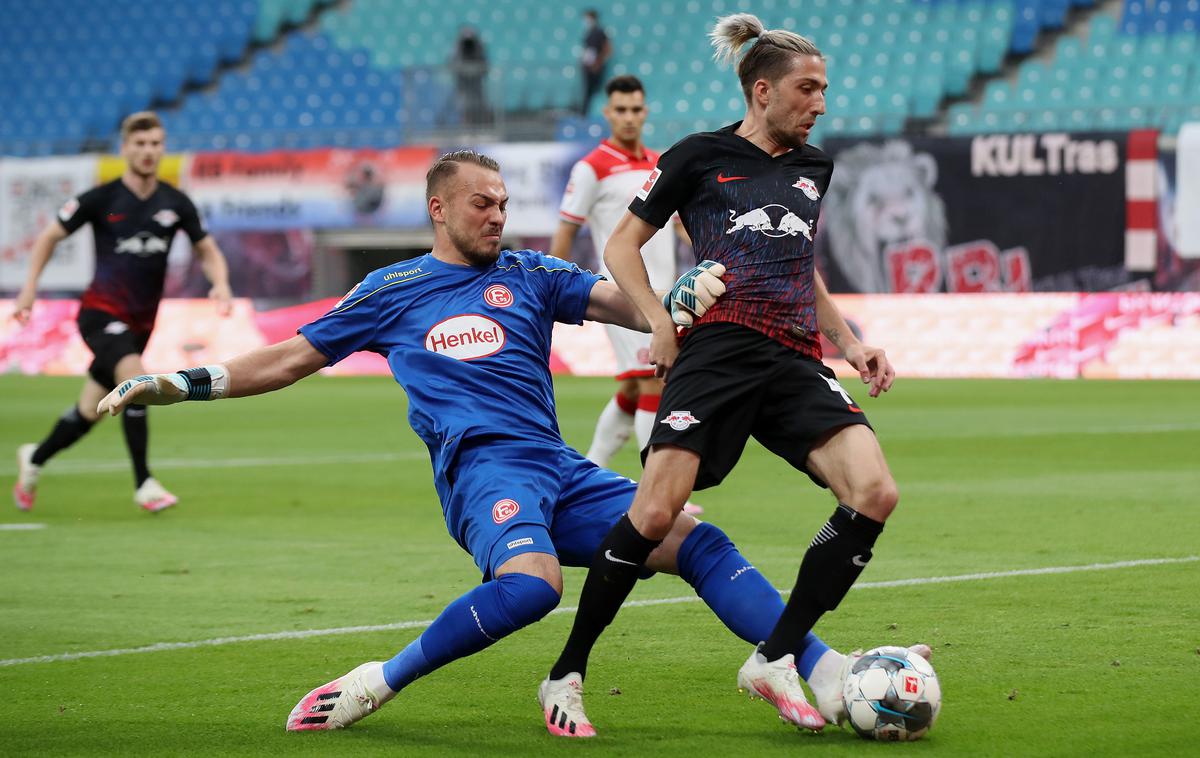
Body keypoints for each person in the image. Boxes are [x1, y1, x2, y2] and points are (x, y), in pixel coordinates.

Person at [96, 150, 857, 738]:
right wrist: (184, 382)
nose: (497, 216)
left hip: (558, 469)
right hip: (483, 472)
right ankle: (376, 681)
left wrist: (670, 304)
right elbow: (289, 358)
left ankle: (822, 669)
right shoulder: (391, 292)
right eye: (481, 204)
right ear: (439, 209)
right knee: (534, 587)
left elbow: (616, 302)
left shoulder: (531, 272)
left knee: (697, 539)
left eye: (502, 203)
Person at [539, 13, 908, 734]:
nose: (821, 103)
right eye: (809, 89)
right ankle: (566, 671)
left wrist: (850, 341)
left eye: (826, 89)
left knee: (875, 492)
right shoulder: (698, 157)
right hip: (715, 353)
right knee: (651, 516)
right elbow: (621, 248)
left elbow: (804, 266)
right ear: (762, 90)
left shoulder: (815, 167)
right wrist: (658, 320)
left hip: (795, 356)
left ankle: (773, 656)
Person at [11, 111, 232, 513]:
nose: (148, 152)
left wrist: (220, 282)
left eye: (155, 144)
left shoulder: (175, 202)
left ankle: (35, 458)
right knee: (136, 380)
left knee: (88, 411)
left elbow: (207, 249)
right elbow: (49, 236)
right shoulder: (101, 199)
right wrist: (28, 291)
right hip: (99, 312)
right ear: (125, 148)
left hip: (140, 323)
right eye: (140, 144)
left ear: (163, 148)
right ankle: (144, 482)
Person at [550, 75, 698, 508]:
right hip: (623, 294)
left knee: (635, 389)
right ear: (608, 113)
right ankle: (661, 492)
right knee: (656, 381)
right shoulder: (591, 167)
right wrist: (551, 289)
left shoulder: (659, 162)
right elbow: (566, 230)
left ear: (645, 111)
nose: (629, 117)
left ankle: (587, 471)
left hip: (666, 293)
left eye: (636, 109)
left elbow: (680, 226)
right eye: (621, 110)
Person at [450, 25, 489, 127]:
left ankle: (481, 126)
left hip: (476, 83)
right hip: (463, 83)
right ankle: (465, 125)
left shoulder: (478, 48)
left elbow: (484, 65)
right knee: (463, 105)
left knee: (478, 104)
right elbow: (454, 63)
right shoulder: (458, 48)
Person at [578, 9, 611, 115]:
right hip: (587, 66)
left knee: (596, 90)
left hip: (596, 67)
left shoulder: (600, 32)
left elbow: (607, 49)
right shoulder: (588, 32)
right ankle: (585, 114)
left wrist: (598, 62)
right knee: (587, 92)